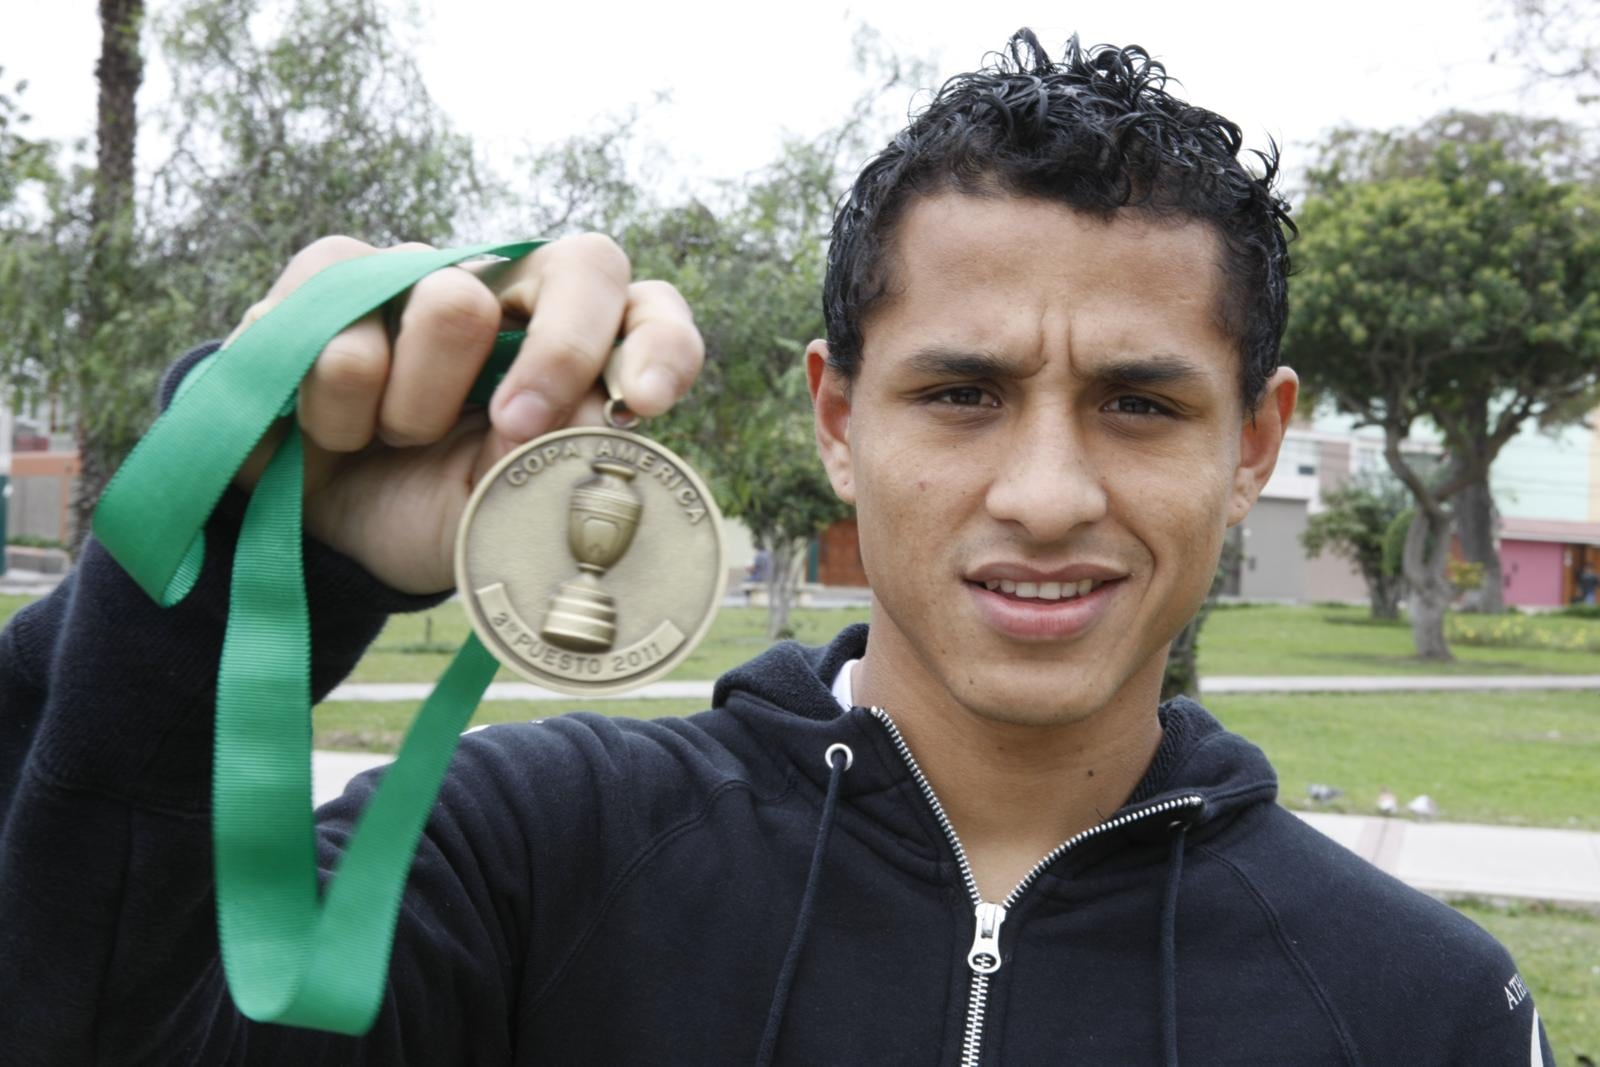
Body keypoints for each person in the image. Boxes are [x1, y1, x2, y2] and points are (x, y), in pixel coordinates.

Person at [0, 30, 1553, 1066]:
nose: (1047, 492)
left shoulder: (1421, 1008)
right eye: (962, 393)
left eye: (1142, 403)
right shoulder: (518, 857)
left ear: (1257, 445)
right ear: (834, 415)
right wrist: (251, 561)